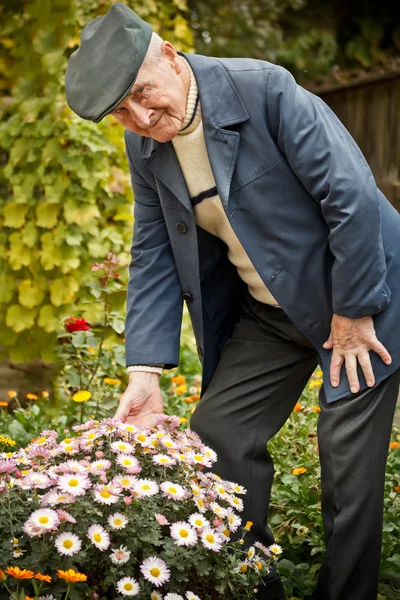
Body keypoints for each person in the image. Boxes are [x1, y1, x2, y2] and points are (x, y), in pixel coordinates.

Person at [65, 4, 400, 599]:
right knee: (218, 433)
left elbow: (350, 196)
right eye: (122, 112)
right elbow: (154, 253)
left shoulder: (264, 90)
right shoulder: (145, 148)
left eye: (144, 93)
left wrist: (353, 313)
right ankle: (250, 586)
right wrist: (144, 372)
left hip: (361, 299)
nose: (142, 117)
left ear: (170, 55)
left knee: (345, 465)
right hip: (272, 311)